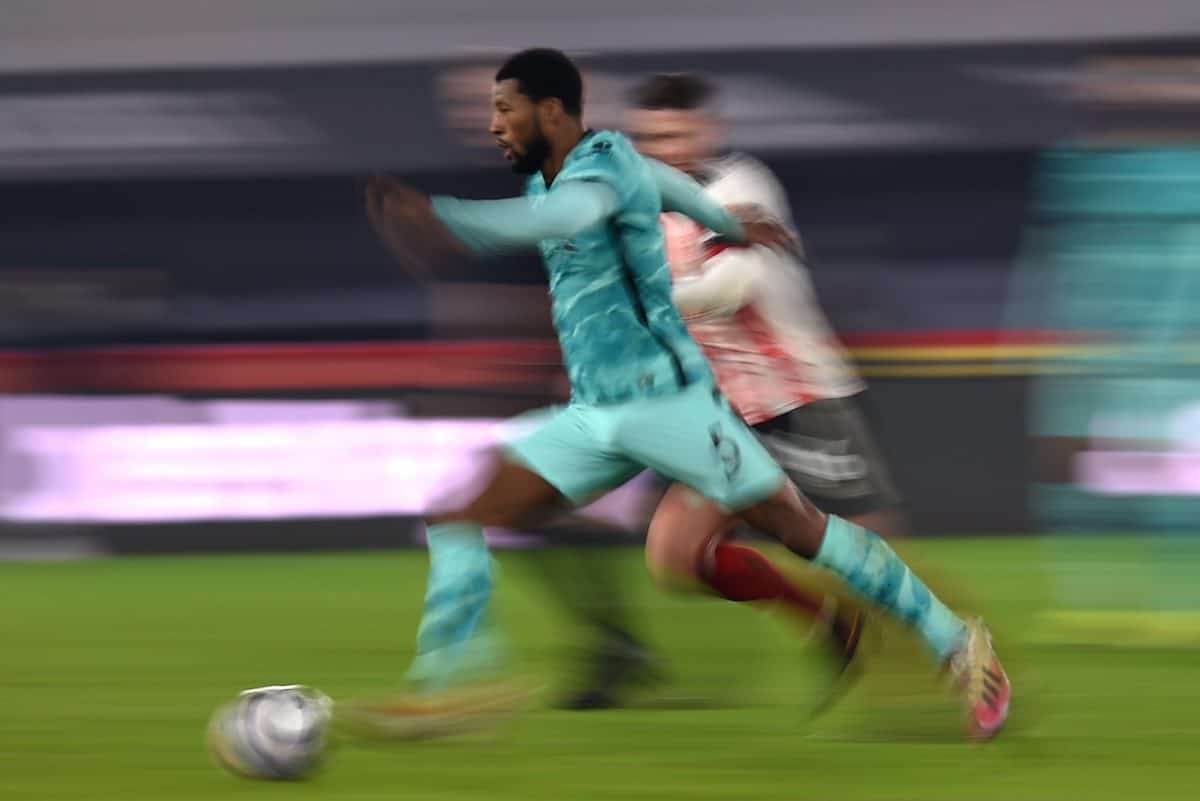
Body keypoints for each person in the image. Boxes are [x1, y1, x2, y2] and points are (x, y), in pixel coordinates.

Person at [361, 48, 1010, 741]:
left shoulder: (669, 183)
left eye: (504, 109)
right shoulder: (600, 167)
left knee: (815, 535)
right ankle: (449, 686)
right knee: (467, 512)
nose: (494, 125)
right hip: (613, 411)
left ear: (549, 112)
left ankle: (957, 643)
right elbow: (656, 188)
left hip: (735, 400)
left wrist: (447, 221)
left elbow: (613, 237)